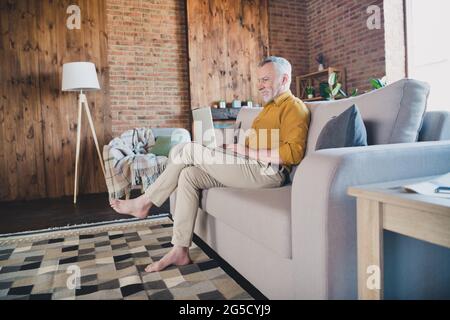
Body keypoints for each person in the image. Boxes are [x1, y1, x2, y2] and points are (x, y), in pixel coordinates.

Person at [110, 56, 311, 273]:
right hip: (246, 165)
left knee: (186, 149)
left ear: (284, 79)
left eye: (266, 79)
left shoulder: (294, 107)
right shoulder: (268, 108)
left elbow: (293, 153)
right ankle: (180, 250)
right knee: (189, 175)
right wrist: (230, 149)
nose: (260, 84)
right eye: (259, 80)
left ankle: (145, 202)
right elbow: (256, 143)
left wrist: (245, 151)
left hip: (267, 173)